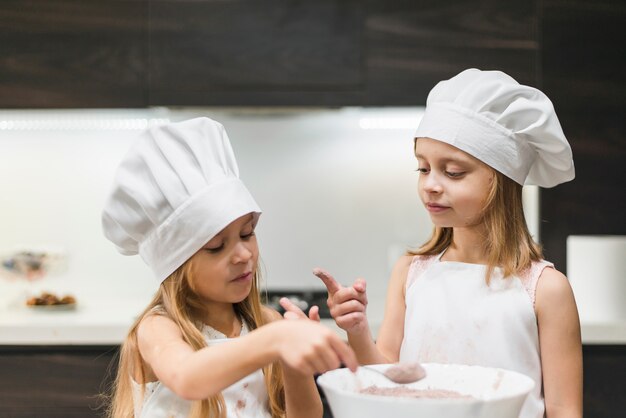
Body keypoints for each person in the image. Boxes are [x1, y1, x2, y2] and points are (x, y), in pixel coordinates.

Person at [315, 69, 583, 418]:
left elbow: (564, 410)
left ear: (502, 181)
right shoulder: (411, 272)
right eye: (423, 169)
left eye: (453, 172)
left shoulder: (545, 289)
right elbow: (384, 379)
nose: (431, 185)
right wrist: (358, 330)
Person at [101, 117, 357, 418]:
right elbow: (187, 378)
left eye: (247, 233)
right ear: (176, 265)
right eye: (216, 246)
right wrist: (277, 340)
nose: (243, 254)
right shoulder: (159, 328)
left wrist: (293, 362)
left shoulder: (266, 322)